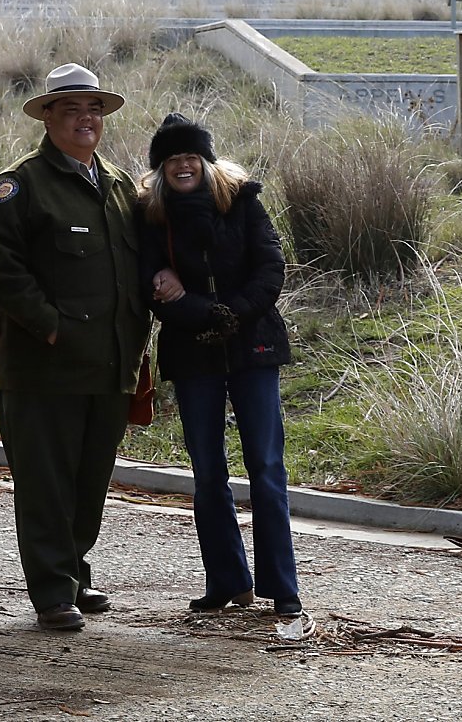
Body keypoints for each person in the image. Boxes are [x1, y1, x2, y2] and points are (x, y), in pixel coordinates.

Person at [0, 63, 148, 632]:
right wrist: (52, 328)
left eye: (94, 109)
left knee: (89, 478)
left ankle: (75, 572)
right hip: (43, 368)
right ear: (47, 116)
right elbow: (0, 272)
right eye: (72, 109)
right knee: (46, 480)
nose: (86, 120)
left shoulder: (120, 186)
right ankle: (52, 592)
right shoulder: (19, 187)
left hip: (109, 364)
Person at [139, 113, 302, 618]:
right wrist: (199, 311)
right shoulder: (151, 217)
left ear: (207, 162)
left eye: (191, 156)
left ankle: (282, 588)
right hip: (192, 354)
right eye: (171, 160)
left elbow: (270, 268)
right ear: (161, 170)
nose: (183, 165)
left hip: (254, 347)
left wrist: (226, 313)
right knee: (208, 471)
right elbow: (156, 291)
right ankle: (228, 582)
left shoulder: (245, 202)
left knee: (267, 468)